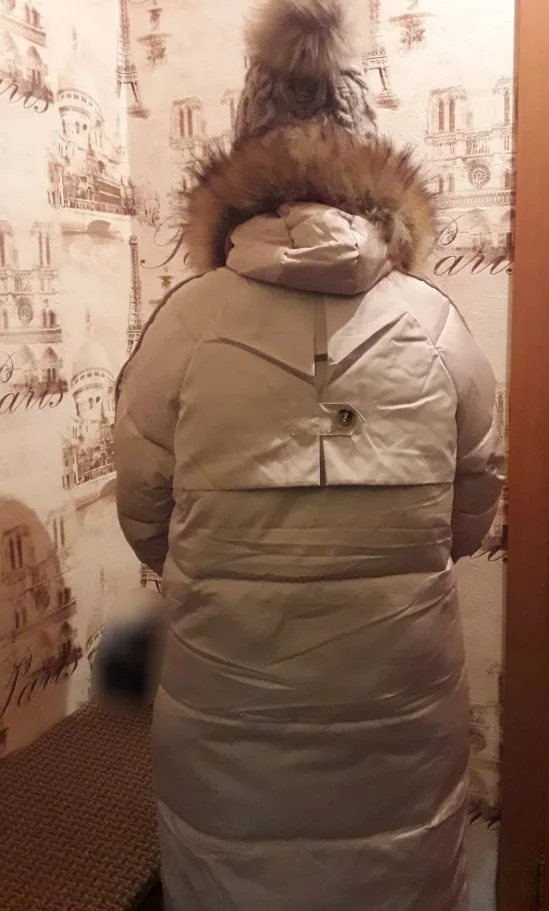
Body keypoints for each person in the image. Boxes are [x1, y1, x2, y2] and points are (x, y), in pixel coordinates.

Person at [113, 1, 505, 908]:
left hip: (230, 722)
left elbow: (144, 517)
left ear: (245, 163)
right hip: (397, 720)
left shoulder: (184, 325)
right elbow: (468, 515)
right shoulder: (437, 326)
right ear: (367, 162)